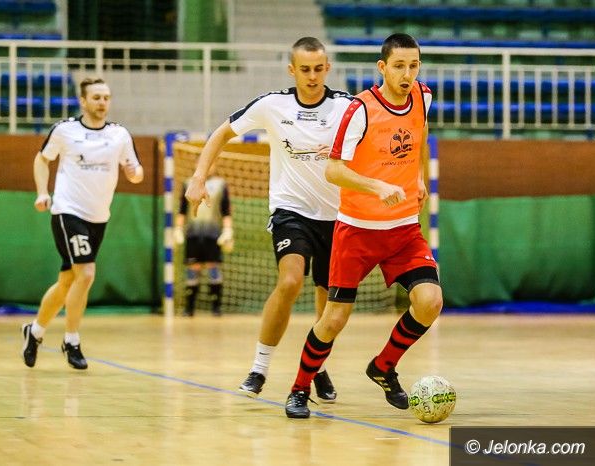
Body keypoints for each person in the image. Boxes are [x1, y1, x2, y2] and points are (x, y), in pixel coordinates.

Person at [185, 37, 353, 401]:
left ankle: (317, 366)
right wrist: (199, 177)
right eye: (304, 69)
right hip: (290, 211)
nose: (312, 76)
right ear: (292, 70)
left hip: (337, 215)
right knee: (290, 281)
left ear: (328, 68)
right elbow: (221, 134)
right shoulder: (272, 105)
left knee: (327, 299)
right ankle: (259, 367)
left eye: (318, 69)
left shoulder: (347, 107)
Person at [284, 33, 443, 418]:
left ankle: (383, 366)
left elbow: (419, 135)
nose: (407, 74)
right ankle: (299, 389)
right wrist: (377, 186)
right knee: (334, 319)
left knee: (430, 302)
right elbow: (333, 169)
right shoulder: (361, 109)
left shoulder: (423, 97)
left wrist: (418, 177)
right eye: (399, 66)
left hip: (403, 230)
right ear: (382, 67)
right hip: (357, 231)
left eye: (414, 65)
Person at [21, 77, 144, 370]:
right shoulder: (65, 130)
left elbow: (136, 173)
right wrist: (42, 192)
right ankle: (71, 340)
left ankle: (34, 331)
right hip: (68, 211)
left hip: (98, 216)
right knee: (86, 274)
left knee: (68, 281)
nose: (102, 102)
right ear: (83, 101)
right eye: (96, 97)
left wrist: (134, 173)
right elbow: (42, 160)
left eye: (106, 97)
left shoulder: (119, 135)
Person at [174, 166, 234, 317]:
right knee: (193, 269)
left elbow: (226, 210)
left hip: (213, 234)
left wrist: (228, 230)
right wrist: (178, 229)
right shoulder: (188, 183)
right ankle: (189, 308)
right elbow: (182, 209)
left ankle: (216, 308)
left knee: (213, 267)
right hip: (193, 234)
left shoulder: (220, 184)